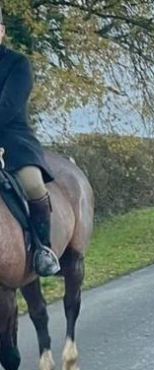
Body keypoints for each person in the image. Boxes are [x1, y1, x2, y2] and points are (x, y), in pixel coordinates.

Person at [0, 9, 60, 276]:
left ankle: (42, 249)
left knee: (33, 184)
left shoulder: (18, 63)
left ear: (1, 31)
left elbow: (9, 105)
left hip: (13, 140)